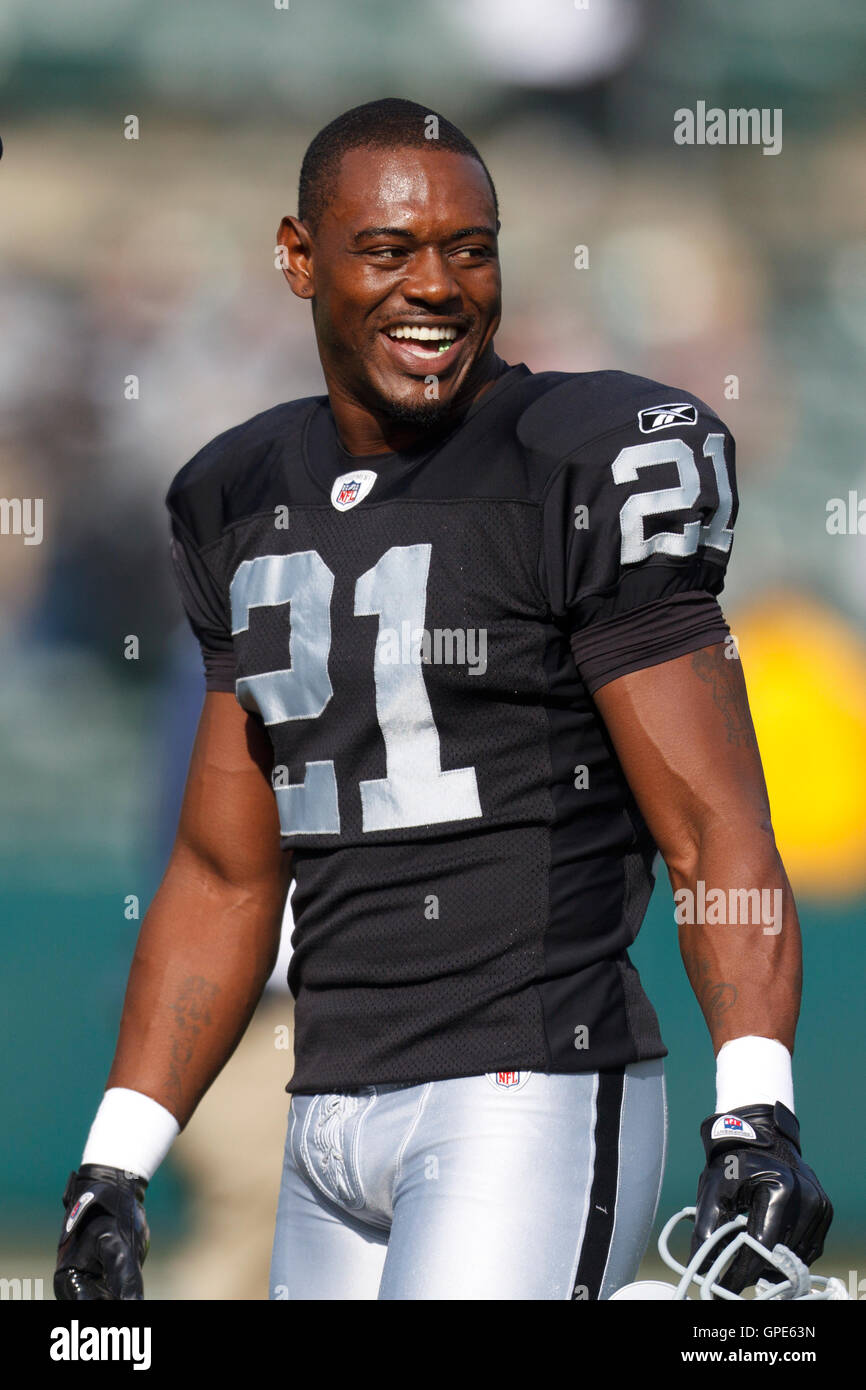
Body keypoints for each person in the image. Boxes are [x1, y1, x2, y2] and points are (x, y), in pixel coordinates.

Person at [54, 97, 832, 1302]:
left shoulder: (582, 455)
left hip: (525, 1088)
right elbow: (223, 871)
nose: (437, 285)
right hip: (322, 1105)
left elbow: (712, 825)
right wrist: (117, 1160)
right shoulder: (238, 490)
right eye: (387, 250)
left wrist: (754, 1107)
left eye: (470, 250)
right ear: (297, 257)